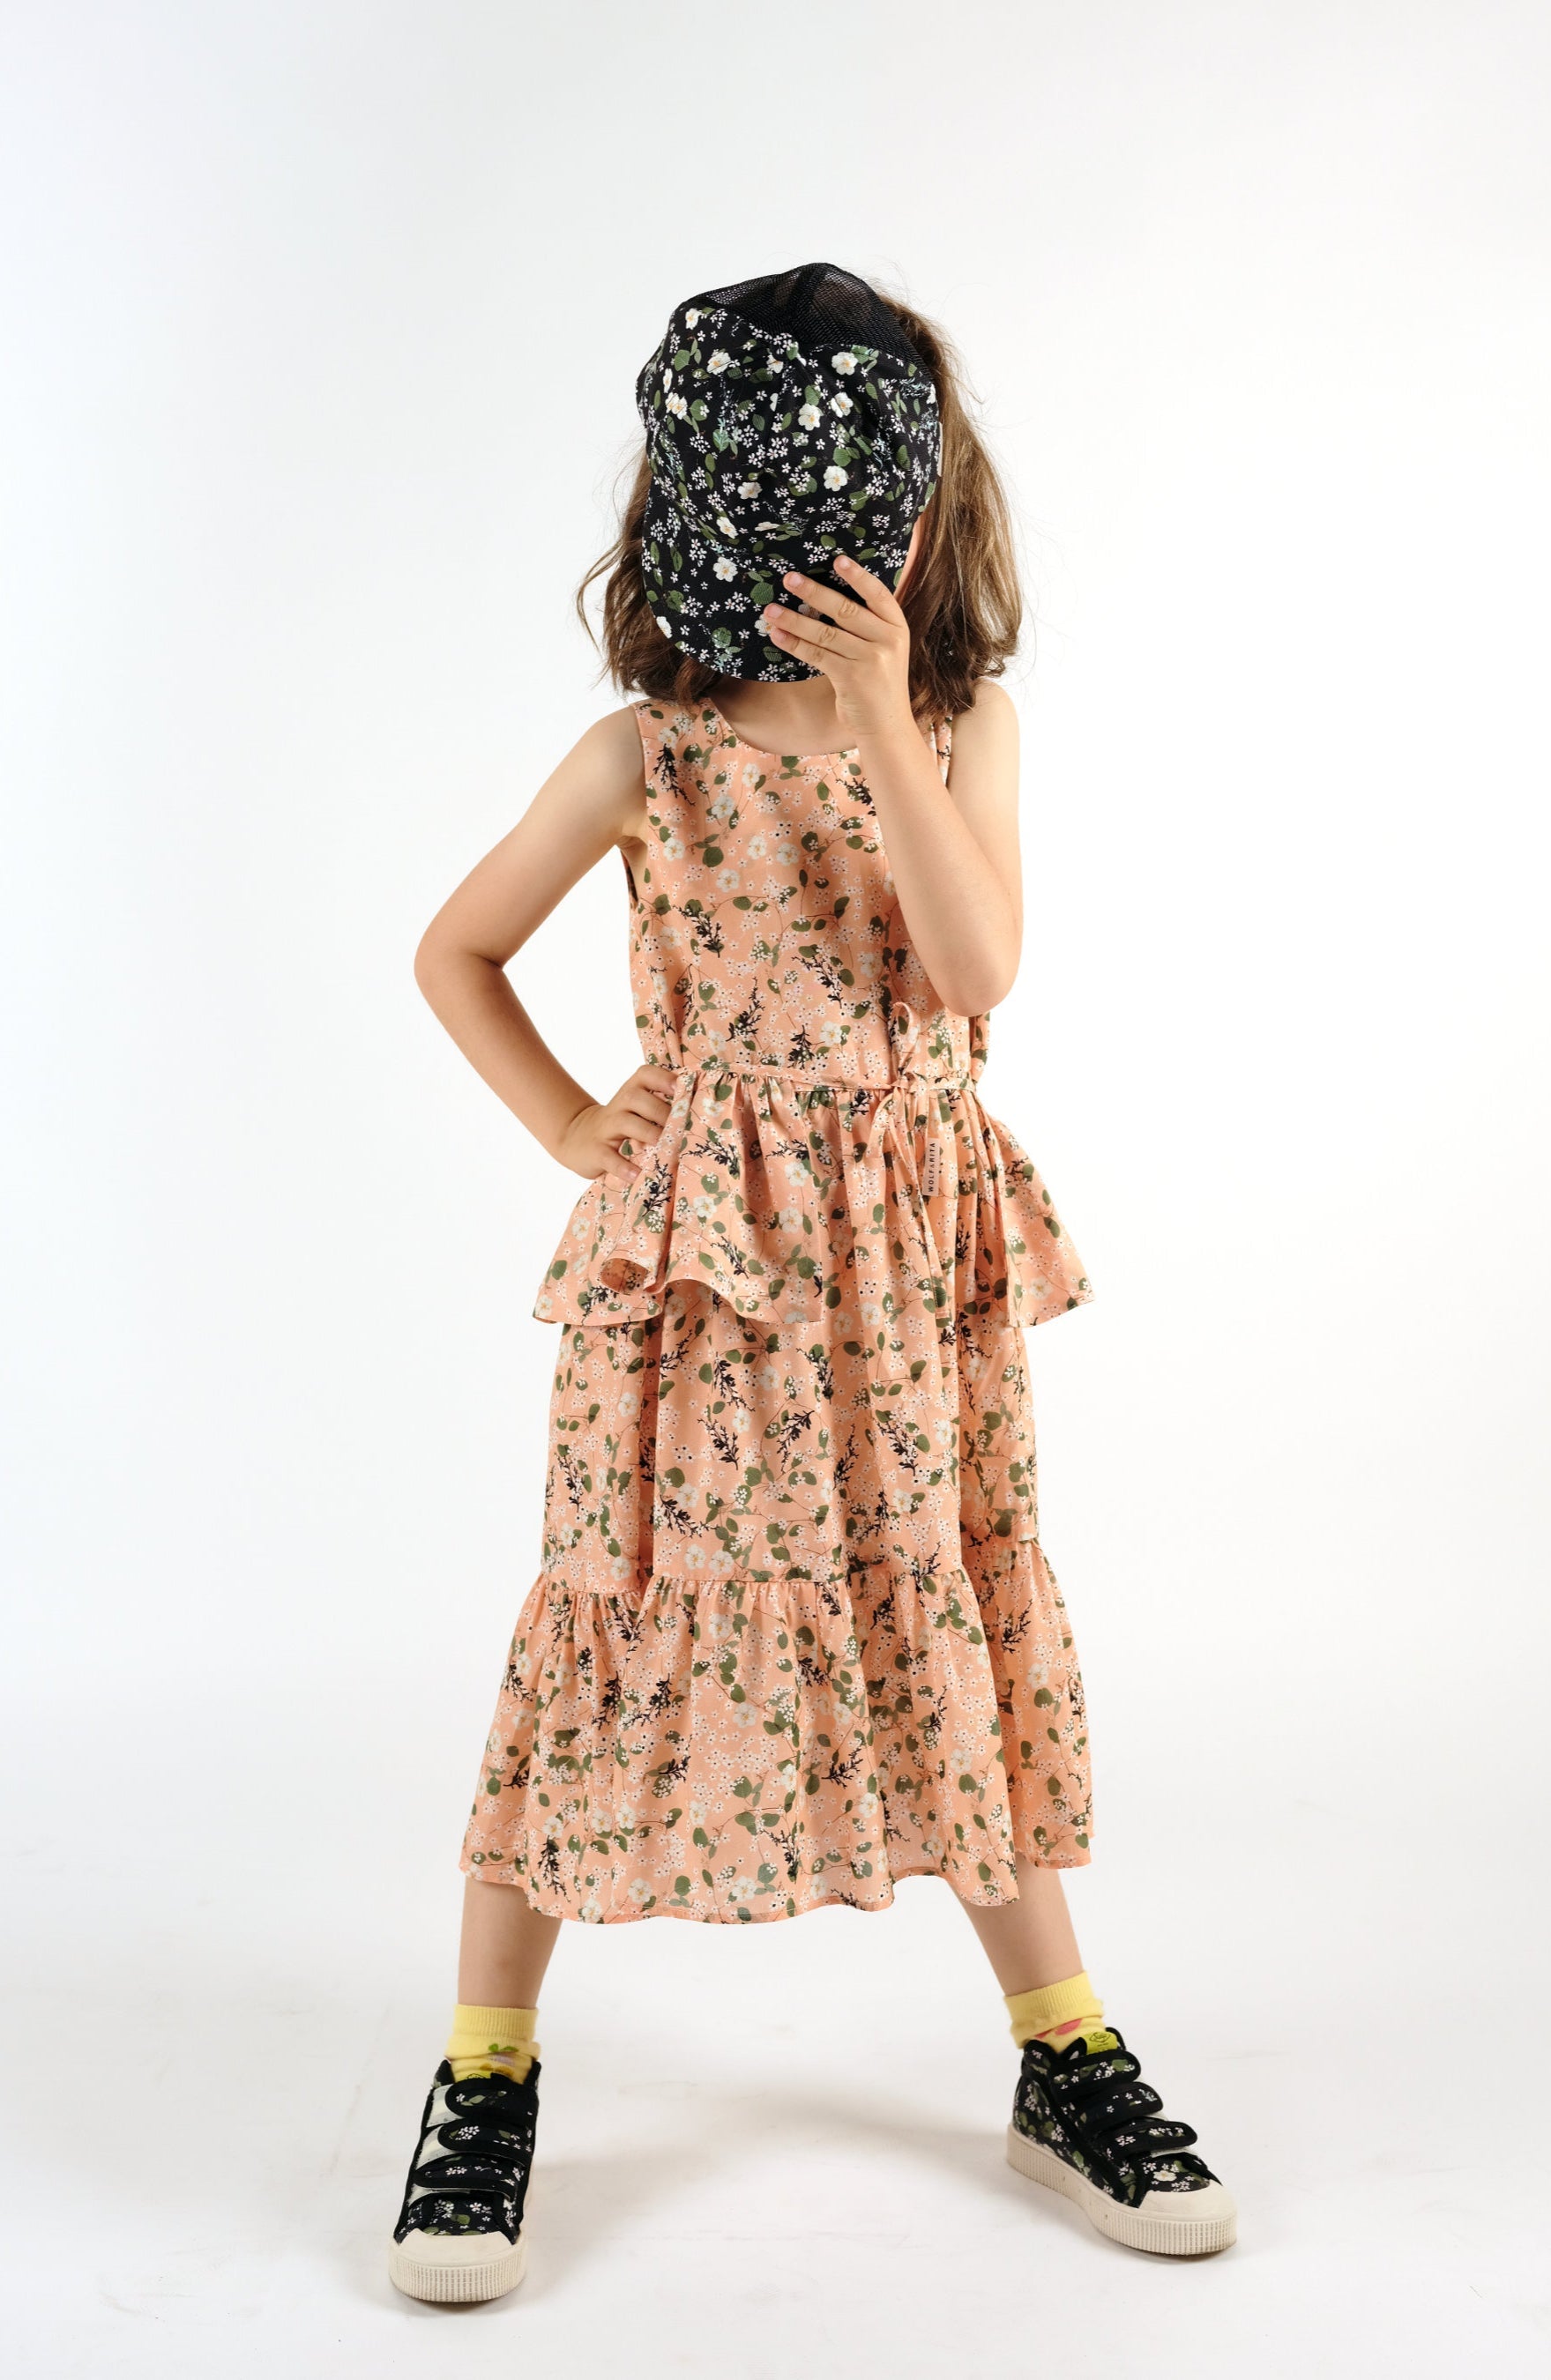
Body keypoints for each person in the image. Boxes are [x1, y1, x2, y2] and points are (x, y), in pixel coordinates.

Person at [387, 263, 1235, 2303]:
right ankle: (485, 2067)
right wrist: (575, 1123)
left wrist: (878, 724)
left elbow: (976, 967)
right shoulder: (646, 756)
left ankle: (1061, 2048)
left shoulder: (959, 727)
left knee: (929, 1590)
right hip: (705, 1271)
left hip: (905, 1264)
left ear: (934, 507)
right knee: (616, 1601)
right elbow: (456, 952)